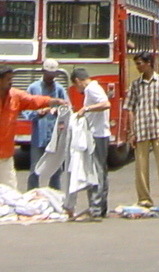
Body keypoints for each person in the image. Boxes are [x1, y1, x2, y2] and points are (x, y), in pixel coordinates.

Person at [0, 64, 54, 194]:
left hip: (5, 147)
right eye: (8, 79)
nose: (11, 82)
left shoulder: (15, 96)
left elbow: (32, 100)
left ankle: (13, 206)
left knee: (10, 183)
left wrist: (51, 101)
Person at [122, 52, 159, 208]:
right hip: (141, 128)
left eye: (140, 63)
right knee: (141, 166)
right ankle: (144, 199)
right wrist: (131, 131)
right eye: (136, 64)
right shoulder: (135, 85)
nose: (138, 67)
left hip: (158, 127)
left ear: (149, 63)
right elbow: (130, 108)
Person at [69, 68, 111, 218]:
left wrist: (86, 109)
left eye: (76, 86)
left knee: (95, 170)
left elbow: (106, 104)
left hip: (97, 135)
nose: (77, 90)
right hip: (98, 134)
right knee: (100, 170)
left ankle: (96, 207)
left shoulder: (92, 89)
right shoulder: (92, 89)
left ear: (78, 81)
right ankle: (101, 206)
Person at [24, 59, 70, 191]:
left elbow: (67, 107)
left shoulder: (59, 89)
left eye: (53, 74)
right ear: (43, 71)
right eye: (48, 73)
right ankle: (32, 194)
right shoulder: (34, 88)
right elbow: (26, 108)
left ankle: (55, 194)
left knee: (56, 168)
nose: (50, 77)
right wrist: (38, 114)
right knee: (35, 168)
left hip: (55, 134)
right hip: (39, 133)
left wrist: (58, 111)